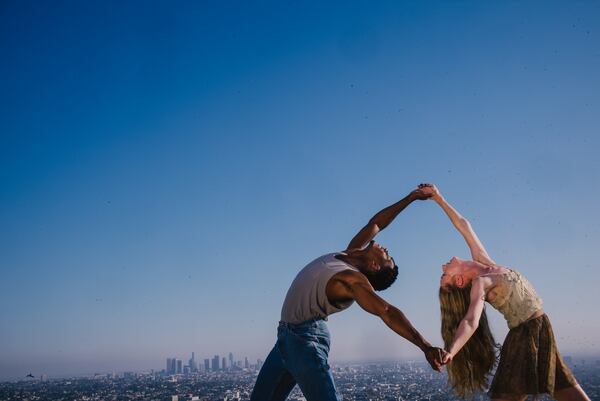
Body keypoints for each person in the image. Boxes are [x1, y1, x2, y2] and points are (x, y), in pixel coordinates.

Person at [250, 186, 447, 401]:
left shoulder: (352, 279)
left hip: (305, 339)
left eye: (388, 258)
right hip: (285, 337)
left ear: (374, 266)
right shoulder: (349, 253)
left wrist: (425, 346)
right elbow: (377, 223)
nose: (388, 251)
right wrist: (411, 198)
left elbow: (387, 311)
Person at [420, 183, 590, 401]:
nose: (443, 267)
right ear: (460, 280)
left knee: (566, 388)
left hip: (542, 329)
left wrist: (438, 198)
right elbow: (471, 321)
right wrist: (452, 350)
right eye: (445, 275)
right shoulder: (481, 283)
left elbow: (464, 226)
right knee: (506, 397)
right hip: (524, 333)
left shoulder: (485, 262)